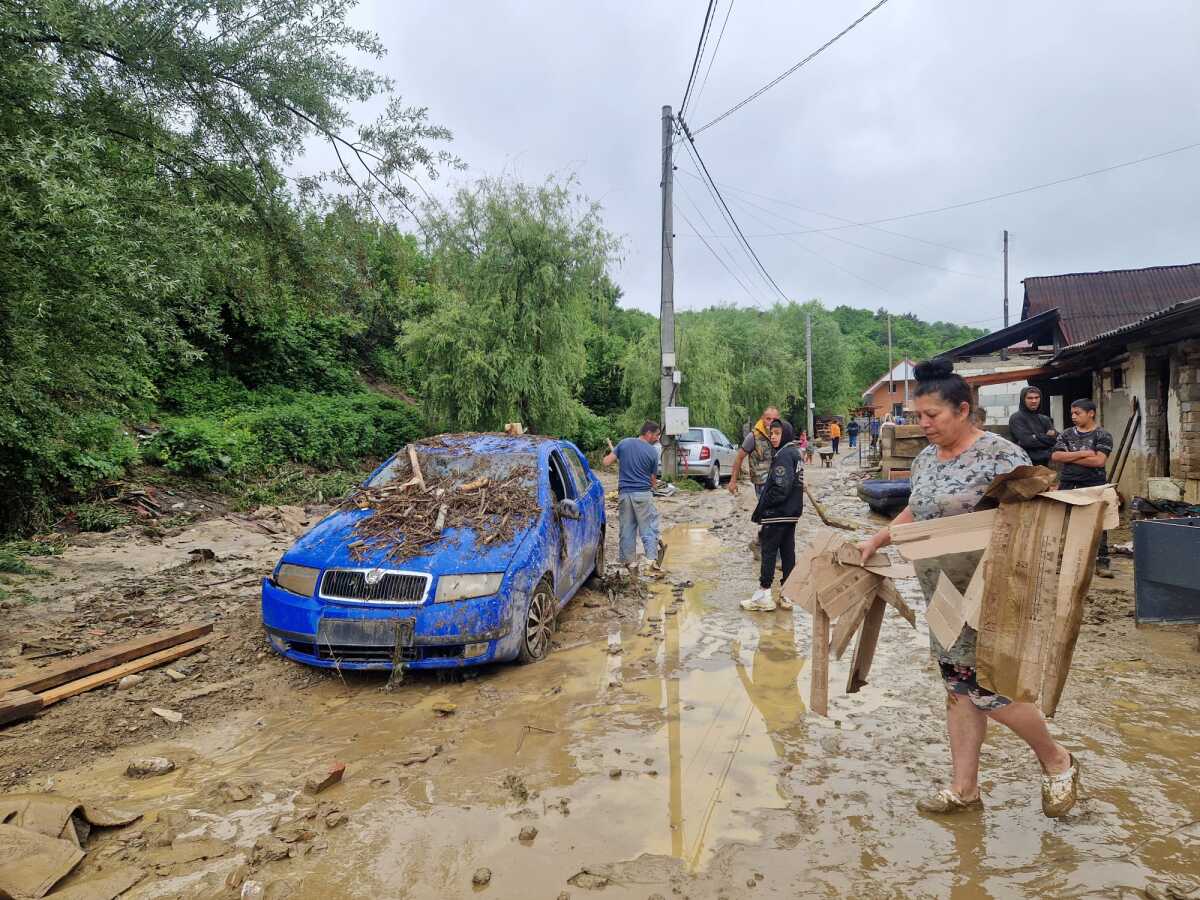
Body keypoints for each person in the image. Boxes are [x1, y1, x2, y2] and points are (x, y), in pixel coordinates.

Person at [856, 358, 1080, 818]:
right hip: (940, 590)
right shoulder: (922, 459)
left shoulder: (1001, 455)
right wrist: (879, 537)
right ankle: (964, 789)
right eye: (918, 417)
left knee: (987, 690)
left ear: (962, 410)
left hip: (991, 592)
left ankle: (1058, 761)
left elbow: (1033, 522)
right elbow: (918, 511)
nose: (923, 425)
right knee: (958, 688)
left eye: (931, 416)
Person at [742, 420, 804, 612]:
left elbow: (781, 487)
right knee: (787, 553)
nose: (774, 437)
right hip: (791, 514)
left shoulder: (784, 455)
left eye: (777, 433)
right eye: (772, 433)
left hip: (777, 514)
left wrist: (765, 505)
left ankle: (764, 594)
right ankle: (787, 595)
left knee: (768, 552)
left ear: (785, 433)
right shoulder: (795, 453)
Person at [1051, 399, 1114, 575]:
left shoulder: (1102, 435)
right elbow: (1056, 456)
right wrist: (1083, 453)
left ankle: (1102, 562)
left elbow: (1099, 460)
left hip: (1094, 483)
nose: (1073, 417)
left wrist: (1069, 456)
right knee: (1065, 522)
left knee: (1098, 522)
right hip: (1068, 483)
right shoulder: (1066, 434)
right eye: (1072, 413)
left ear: (1091, 413)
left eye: (1077, 413)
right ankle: (1063, 560)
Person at [602, 420, 663, 575]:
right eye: (656, 435)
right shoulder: (652, 452)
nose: (657, 438)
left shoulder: (624, 443)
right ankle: (651, 562)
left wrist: (618, 457)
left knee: (627, 530)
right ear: (648, 433)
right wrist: (654, 487)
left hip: (624, 495)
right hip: (643, 495)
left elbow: (606, 462)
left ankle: (631, 564)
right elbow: (652, 479)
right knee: (648, 528)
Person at [728, 405, 779, 498]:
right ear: (762, 418)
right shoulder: (753, 436)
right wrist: (733, 481)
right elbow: (739, 457)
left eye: (774, 419)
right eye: (768, 419)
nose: (771, 422)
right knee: (767, 510)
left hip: (778, 479)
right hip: (762, 482)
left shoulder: (781, 435)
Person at [1008, 386, 1057, 466]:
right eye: (1030, 398)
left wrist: (1036, 436)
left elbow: (1055, 440)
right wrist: (1045, 437)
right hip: (1023, 465)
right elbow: (1027, 442)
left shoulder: (1045, 419)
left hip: (1044, 465)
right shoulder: (1016, 418)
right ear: (1023, 400)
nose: (1034, 401)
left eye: (1036, 397)